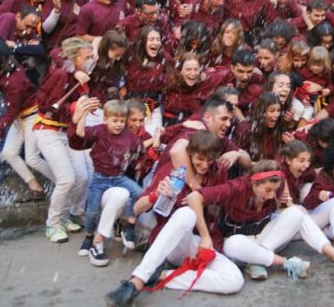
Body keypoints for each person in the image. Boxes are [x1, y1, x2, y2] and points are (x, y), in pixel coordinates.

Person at [104, 131, 243, 307]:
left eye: (210, 160)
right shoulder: (172, 171)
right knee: (186, 213)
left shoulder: (218, 171)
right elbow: (137, 208)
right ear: (190, 153)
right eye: (200, 159)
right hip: (169, 240)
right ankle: (137, 280)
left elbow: (217, 207)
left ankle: (164, 277)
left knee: (234, 280)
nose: (205, 165)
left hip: (198, 240)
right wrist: (156, 194)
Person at [187, 160, 334, 279]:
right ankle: (281, 263)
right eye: (267, 190)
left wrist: (284, 200)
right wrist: (205, 236)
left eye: (274, 190)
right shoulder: (236, 187)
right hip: (240, 242)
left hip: (266, 237)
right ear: (254, 183)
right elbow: (195, 197)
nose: (271, 195)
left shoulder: (279, 181)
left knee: (297, 213)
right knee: (233, 244)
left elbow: (284, 205)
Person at [34, 37, 93, 243]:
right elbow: (47, 105)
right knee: (66, 179)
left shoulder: (81, 75)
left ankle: (66, 215)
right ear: (74, 58)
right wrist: (72, 110)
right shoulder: (61, 74)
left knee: (83, 177)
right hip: (48, 130)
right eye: (87, 57)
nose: (91, 61)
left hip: (66, 131)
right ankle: (53, 223)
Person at [71, 98, 144, 264]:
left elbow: (139, 146)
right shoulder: (99, 130)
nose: (119, 124)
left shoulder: (128, 135)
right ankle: (89, 237)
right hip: (100, 179)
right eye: (115, 121)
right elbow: (81, 134)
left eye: (122, 121)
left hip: (118, 177)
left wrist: (157, 140)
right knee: (91, 212)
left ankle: (129, 224)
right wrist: (81, 116)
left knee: (138, 192)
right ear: (105, 119)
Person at [0, 39, 47, 201]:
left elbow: (11, 111)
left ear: (0, 63)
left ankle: (61, 183)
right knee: (8, 153)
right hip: (20, 119)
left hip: (31, 117)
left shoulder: (13, 81)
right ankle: (34, 186)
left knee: (32, 159)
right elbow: (9, 83)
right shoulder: (10, 72)